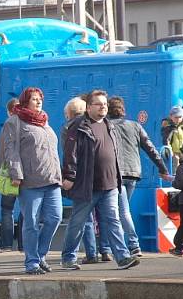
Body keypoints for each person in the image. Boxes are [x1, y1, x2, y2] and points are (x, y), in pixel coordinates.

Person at [60, 90, 140, 270]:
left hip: (110, 183)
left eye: (105, 104)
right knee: (78, 222)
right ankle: (68, 257)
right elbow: (70, 154)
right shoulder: (78, 127)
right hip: (87, 185)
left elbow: (115, 152)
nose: (103, 106)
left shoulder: (109, 125)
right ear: (88, 108)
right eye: (98, 104)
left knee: (113, 220)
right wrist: (70, 176)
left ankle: (123, 256)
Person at [1, 87, 63, 275]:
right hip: (30, 181)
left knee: (55, 218)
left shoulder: (45, 122)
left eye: (40, 99)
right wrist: (16, 174)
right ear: (25, 101)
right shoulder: (15, 122)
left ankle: (40, 254)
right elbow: (11, 150)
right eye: (34, 99)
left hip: (52, 179)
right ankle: (32, 262)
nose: (38, 102)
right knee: (31, 222)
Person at [105, 96, 172, 256]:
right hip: (133, 173)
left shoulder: (106, 126)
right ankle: (114, 246)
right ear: (123, 110)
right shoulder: (135, 126)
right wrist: (162, 169)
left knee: (121, 211)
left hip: (116, 173)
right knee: (122, 210)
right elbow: (150, 149)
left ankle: (133, 244)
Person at [59, 97, 102, 263]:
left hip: (79, 178)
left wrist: (69, 176)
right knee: (96, 217)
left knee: (79, 217)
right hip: (97, 177)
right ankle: (95, 252)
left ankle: (70, 255)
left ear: (69, 113)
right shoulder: (93, 124)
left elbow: (69, 153)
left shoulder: (69, 127)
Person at [0, 97, 20, 252]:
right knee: (26, 210)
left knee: (7, 209)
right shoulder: (29, 124)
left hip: (10, 173)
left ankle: (6, 245)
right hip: (27, 173)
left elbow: (2, 152)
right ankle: (24, 245)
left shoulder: (8, 125)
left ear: (9, 111)